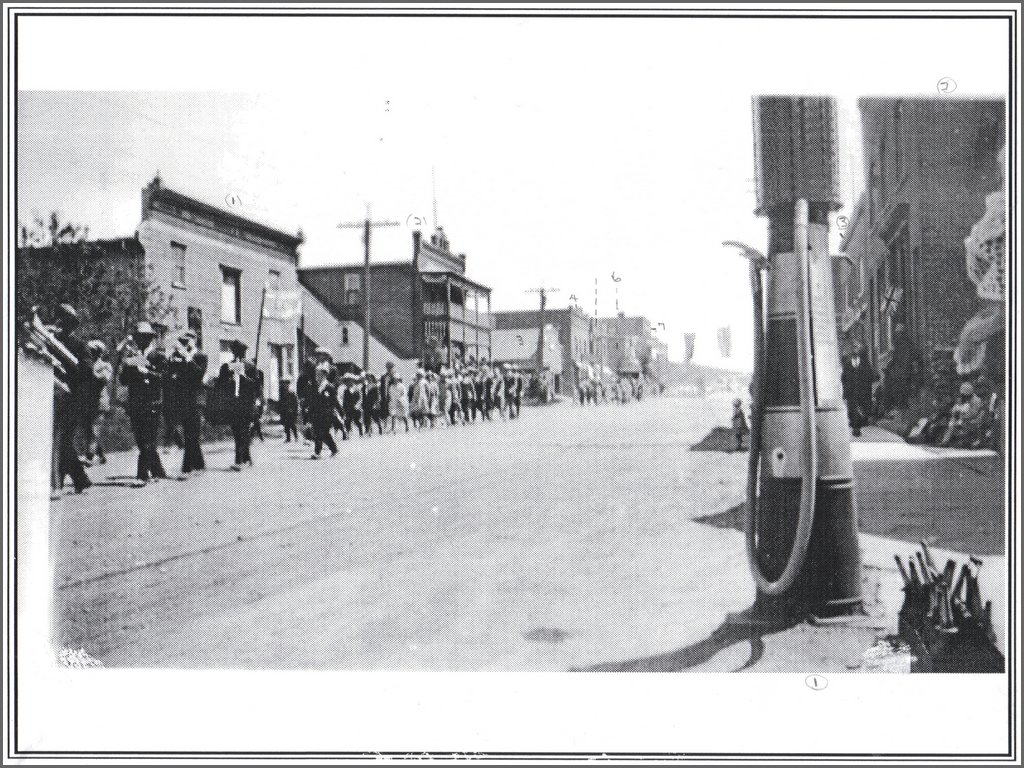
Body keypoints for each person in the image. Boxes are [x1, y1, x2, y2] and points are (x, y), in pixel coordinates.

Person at [119, 321, 167, 482]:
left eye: (145, 337)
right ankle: (158, 470)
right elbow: (123, 380)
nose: (141, 341)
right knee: (142, 440)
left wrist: (147, 372)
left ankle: (142, 475)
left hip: (152, 402)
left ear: (150, 339)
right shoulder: (133, 356)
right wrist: (128, 367)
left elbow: (164, 379)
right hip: (135, 403)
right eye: (139, 337)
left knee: (147, 438)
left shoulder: (158, 356)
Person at [52, 304, 92, 493]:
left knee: (64, 440)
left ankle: (63, 481)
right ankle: (80, 479)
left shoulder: (79, 345)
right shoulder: (51, 341)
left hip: (74, 397)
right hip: (54, 394)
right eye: (59, 319)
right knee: (59, 440)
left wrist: (68, 370)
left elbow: (87, 371)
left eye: (65, 321)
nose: (60, 324)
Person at [169, 330, 207, 475]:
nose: (185, 344)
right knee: (190, 434)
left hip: (197, 400)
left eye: (188, 341)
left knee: (192, 434)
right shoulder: (178, 357)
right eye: (182, 341)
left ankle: (187, 468)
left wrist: (187, 357)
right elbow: (172, 375)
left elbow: (199, 374)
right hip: (183, 399)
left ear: (194, 341)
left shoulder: (200, 356)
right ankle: (199, 465)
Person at [218, 339, 261, 470]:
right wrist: (227, 379)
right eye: (235, 351)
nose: (237, 354)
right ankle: (247, 459)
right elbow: (221, 385)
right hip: (234, 404)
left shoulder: (250, 366)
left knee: (242, 432)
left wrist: (244, 378)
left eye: (240, 351)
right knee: (238, 432)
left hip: (246, 403)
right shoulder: (227, 366)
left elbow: (257, 385)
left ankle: (239, 461)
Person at [83, 339, 112, 466]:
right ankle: (100, 454)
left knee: (94, 431)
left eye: (93, 351)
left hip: (100, 402)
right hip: (87, 402)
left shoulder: (105, 366)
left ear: (99, 353)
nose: (90, 353)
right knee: (88, 431)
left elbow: (104, 379)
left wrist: (91, 372)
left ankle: (89, 458)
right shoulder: (86, 364)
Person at [841, 342, 877, 438]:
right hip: (851, 391)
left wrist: (867, 385)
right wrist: (845, 391)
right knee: (852, 408)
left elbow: (871, 376)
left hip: (862, 390)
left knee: (862, 408)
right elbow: (843, 378)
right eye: (853, 349)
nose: (855, 351)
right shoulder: (847, 364)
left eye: (857, 349)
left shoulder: (865, 363)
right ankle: (855, 428)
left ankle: (859, 425)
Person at [308, 362, 340, 458]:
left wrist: (337, 412)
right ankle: (334, 449)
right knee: (324, 433)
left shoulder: (330, 387)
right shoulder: (314, 387)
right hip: (316, 414)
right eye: (316, 374)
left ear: (325, 374)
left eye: (319, 374)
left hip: (327, 415)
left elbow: (334, 401)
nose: (317, 376)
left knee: (320, 433)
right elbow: (312, 401)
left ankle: (317, 453)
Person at [941, 381, 985, 447]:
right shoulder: (963, 399)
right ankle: (945, 441)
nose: (962, 395)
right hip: (964, 419)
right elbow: (955, 408)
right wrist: (956, 413)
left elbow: (974, 413)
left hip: (974, 420)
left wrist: (962, 415)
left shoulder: (976, 400)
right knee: (951, 423)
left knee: (954, 424)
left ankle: (950, 441)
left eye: (964, 394)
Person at [342, 372, 363, 436]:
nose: (349, 382)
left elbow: (360, 398)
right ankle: (347, 433)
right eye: (347, 380)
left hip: (355, 407)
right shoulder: (345, 390)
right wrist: (344, 407)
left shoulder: (356, 389)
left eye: (350, 380)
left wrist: (357, 405)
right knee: (348, 420)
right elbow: (344, 399)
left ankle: (360, 431)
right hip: (348, 407)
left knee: (356, 420)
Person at [279, 378, 299, 443]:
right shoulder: (282, 393)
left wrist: (294, 410)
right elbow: (281, 402)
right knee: (286, 425)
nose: (285, 386)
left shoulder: (292, 393)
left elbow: (295, 402)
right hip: (285, 411)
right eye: (284, 384)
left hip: (291, 412)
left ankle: (296, 437)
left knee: (292, 425)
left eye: (287, 384)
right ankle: (288, 438)